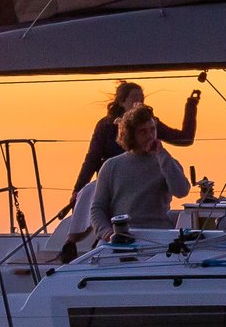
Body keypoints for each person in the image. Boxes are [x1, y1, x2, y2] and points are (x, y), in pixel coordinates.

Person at [72, 80, 197, 199]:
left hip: (144, 187)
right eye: (134, 98)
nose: (139, 102)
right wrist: (79, 190)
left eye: (142, 99)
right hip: (114, 186)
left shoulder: (150, 124)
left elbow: (185, 139)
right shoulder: (106, 126)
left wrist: (191, 105)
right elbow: (92, 159)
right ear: (122, 102)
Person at [86, 105, 191, 234]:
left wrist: (162, 154)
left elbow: (181, 191)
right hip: (122, 235)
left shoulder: (166, 162)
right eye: (143, 132)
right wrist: (107, 233)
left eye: (152, 130)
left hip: (158, 234)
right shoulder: (112, 166)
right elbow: (98, 208)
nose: (150, 136)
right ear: (131, 135)